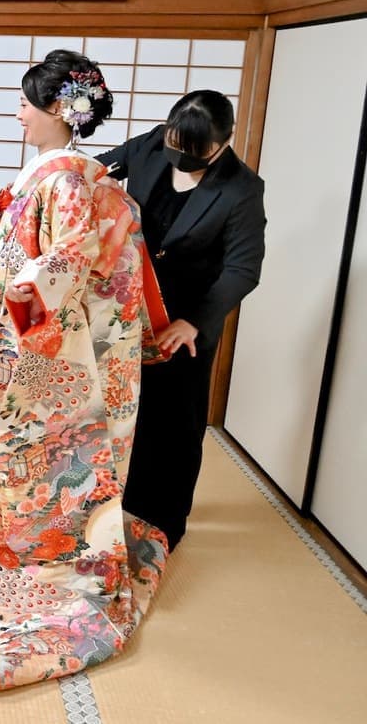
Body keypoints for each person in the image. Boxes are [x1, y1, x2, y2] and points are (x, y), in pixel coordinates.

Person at [0, 50, 169, 690]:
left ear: (60, 111)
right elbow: (117, 264)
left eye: (27, 104)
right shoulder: (94, 176)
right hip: (78, 344)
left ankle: (18, 555)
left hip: (34, 346)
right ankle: (22, 539)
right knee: (42, 457)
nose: (19, 114)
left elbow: (70, 256)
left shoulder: (63, 178)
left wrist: (15, 308)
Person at [98, 90, 266, 549]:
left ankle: (164, 522)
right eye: (176, 145)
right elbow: (94, 172)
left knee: (176, 422)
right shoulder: (154, 142)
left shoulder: (241, 188)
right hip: (128, 309)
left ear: (224, 143)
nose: (181, 156)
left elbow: (242, 269)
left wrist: (194, 321)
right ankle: (120, 506)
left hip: (185, 319)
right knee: (123, 410)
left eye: (197, 152)